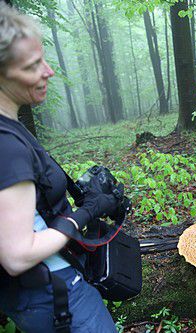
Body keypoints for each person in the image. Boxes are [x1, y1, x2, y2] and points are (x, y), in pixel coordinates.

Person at [0, 4, 118, 332]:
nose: (49, 71)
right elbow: (17, 255)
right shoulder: (6, 146)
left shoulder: (10, 128)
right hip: (53, 291)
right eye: (33, 64)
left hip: (39, 291)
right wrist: (84, 214)